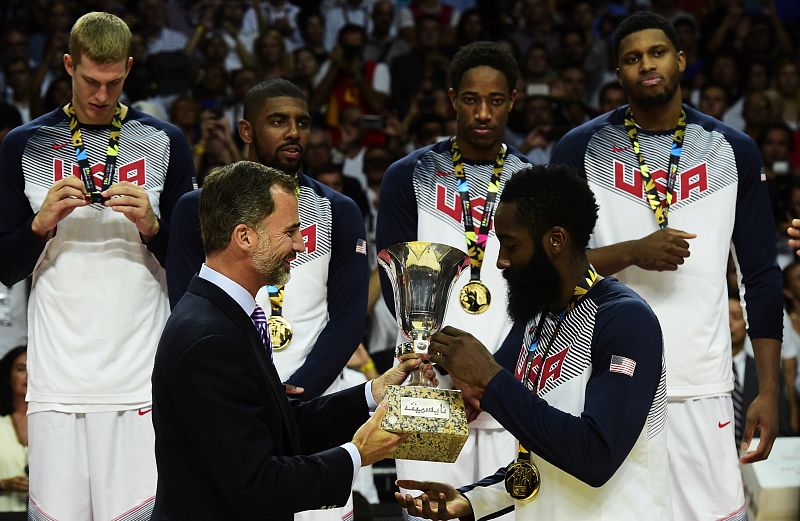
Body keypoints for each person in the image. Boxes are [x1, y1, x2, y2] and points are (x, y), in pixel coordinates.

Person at [550, 11, 782, 520]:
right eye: (632, 59)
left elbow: (761, 276)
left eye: (657, 53)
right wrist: (633, 251)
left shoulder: (734, 149)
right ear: (618, 72)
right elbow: (550, 267)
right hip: (601, 381)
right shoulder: (577, 148)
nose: (646, 66)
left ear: (680, 60)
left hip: (702, 384)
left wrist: (768, 390)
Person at [152, 161, 431, 519]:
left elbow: (278, 427)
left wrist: (372, 393)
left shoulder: (224, 316)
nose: (300, 244)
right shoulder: (209, 339)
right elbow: (256, 485)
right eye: (290, 231)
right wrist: (358, 453)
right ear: (245, 237)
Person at [0, 12, 194, 519]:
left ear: (129, 69)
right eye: (90, 81)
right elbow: (5, 265)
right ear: (68, 65)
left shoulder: (166, 142)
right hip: (56, 381)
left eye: (113, 82)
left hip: (139, 378)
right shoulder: (24, 145)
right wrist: (38, 226)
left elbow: (194, 268)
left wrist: (154, 227)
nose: (102, 95)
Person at [395, 165, 669, 520]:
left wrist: (491, 378)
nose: (501, 261)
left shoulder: (625, 320)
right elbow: (542, 451)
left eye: (511, 245)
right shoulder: (538, 317)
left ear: (555, 240)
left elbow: (595, 456)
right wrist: (473, 500)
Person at [166, 78, 369, 520]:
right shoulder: (196, 210)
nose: (294, 132)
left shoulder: (339, 209)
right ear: (246, 130)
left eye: (302, 122)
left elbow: (350, 319)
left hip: (309, 398)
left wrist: (301, 396)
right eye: (278, 121)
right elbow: (189, 303)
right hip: (229, 396)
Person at [376, 41, 531, 519]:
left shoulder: (533, 181)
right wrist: (456, 370)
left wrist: (490, 374)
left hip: (511, 380)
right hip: (428, 383)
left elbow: (543, 295)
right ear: (451, 99)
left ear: (513, 100)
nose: (483, 113)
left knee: (510, 511)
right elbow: (394, 286)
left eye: (496, 100)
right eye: (470, 99)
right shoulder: (408, 175)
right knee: (429, 512)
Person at [0, 346, 28, 511]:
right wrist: (4, 484)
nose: (29, 375)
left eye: (35, 368)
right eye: (21, 369)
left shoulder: (59, 424)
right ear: (7, 376)